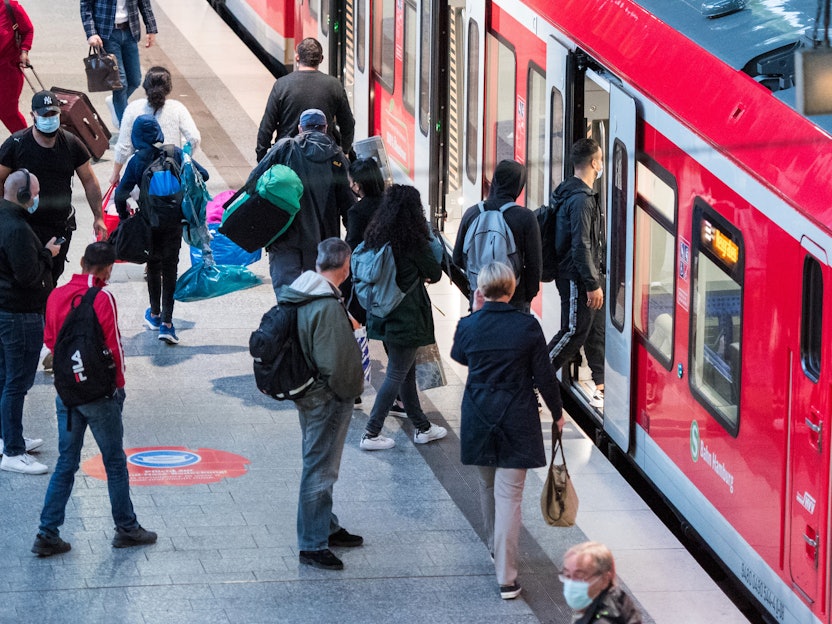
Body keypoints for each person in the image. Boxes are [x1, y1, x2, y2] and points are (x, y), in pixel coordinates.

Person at [31, 242, 158, 555]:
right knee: (114, 461)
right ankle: (126, 527)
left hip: (68, 393)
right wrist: (119, 388)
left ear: (84, 263)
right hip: (99, 395)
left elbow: (49, 340)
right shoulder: (103, 297)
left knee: (66, 462)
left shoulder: (56, 295)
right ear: (107, 269)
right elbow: (113, 346)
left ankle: (47, 533)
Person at [450, 261, 563, 600]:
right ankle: (506, 578)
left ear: (481, 290)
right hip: (516, 416)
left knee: (487, 487)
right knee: (510, 498)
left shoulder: (468, 325)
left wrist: (475, 312)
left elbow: (460, 355)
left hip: (479, 415)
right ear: (512, 289)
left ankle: (494, 546)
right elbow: (544, 375)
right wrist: (557, 414)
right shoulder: (527, 327)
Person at [277, 238, 364, 570]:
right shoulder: (325, 304)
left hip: (306, 390)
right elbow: (336, 363)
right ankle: (312, 544)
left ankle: (325, 525)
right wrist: (350, 390)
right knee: (320, 468)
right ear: (345, 266)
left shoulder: (303, 287)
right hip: (325, 396)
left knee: (319, 461)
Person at [359, 184, 447, 450]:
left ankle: (423, 427)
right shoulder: (414, 242)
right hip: (406, 318)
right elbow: (436, 272)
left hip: (382, 315)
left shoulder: (376, 237)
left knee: (405, 372)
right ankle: (371, 433)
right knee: (397, 373)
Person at [114, 114, 209, 344]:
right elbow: (203, 175)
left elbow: (120, 194)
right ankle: (167, 323)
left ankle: (154, 314)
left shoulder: (137, 161)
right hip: (174, 223)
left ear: (136, 136)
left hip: (150, 223)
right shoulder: (174, 153)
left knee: (153, 266)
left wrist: (125, 215)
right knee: (171, 268)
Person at [0, 91, 107, 286]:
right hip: (26, 227)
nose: (49, 120)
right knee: (26, 279)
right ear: (33, 116)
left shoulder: (72, 144)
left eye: (53, 114)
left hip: (58, 228)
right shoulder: (16, 144)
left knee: (51, 280)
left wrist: (98, 216)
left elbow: (89, 180)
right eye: (44, 115)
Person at [253, 108, 352, 297]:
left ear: (300, 128)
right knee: (316, 296)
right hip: (321, 242)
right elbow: (348, 204)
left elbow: (255, 181)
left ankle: (289, 324)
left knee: (287, 297)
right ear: (325, 129)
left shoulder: (284, 148)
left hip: (283, 235)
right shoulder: (336, 157)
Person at [0, 170, 60, 474]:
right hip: (19, 315)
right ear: (24, 196)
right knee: (17, 383)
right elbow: (29, 277)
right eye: (34, 193)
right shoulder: (18, 229)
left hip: (3, 311)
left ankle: (7, 437)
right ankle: (12, 452)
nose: (37, 198)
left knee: (3, 378)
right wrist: (47, 255)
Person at [546, 139, 605, 392]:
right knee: (573, 331)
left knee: (595, 329)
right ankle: (535, 378)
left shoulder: (571, 190)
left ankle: (600, 379)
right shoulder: (581, 199)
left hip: (584, 274)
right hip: (575, 276)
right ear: (593, 163)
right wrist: (592, 284)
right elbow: (581, 245)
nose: (601, 164)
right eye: (600, 160)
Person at [453, 160, 542, 312]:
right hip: (514, 298)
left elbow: (457, 258)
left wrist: (478, 283)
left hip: (480, 295)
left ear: (495, 181)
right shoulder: (525, 217)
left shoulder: (472, 213)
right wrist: (526, 296)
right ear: (518, 185)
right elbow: (535, 266)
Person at [256, 37, 355, 162]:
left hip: (288, 157)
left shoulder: (282, 85)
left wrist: (262, 158)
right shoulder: (334, 85)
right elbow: (348, 124)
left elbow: (266, 127)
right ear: (321, 59)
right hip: (322, 158)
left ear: (297, 58)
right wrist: (344, 151)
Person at [110, 66, 201, 186]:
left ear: (146, 86)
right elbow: (194, 138)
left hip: (141, 177)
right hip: (172, 176)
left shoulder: (133, 108)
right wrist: (182, 158)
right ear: (168, 88)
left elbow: (124, 147)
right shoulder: (177, 108)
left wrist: (115, 174)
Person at [80, 0, 158, 125]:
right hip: (108, 34)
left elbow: (145, 4)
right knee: (120, 84)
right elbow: (86, 5)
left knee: (135, 80)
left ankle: (116, 102)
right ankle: (125, 128)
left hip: (130, 31)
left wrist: (151, 28)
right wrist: (91, 33)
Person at [344, 157, 386, 324]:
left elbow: (352, 248)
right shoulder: (392, 203)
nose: (349, 186)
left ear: (358, 185)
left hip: (370, 275)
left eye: (351, 182)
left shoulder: (357, 212)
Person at [560, 541, 643, 623]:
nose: (571, 584)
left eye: (580, 577)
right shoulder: (619, 599)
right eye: (567, 575)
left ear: (604, 579)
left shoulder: (604, 620)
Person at [0, 0, 33, 134]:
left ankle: (26, 145)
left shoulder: (9, 6)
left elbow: (28, 30)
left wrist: (24, 50)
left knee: (8, 112)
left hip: (8, 70)